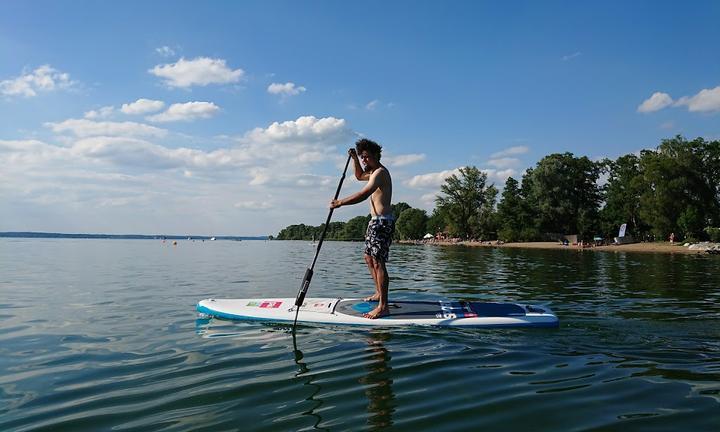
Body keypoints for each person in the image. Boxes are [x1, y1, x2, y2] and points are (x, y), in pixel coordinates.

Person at [330, 139, 394, 319]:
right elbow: (359, 176)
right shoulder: (372, 172)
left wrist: (340, 202)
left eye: (366, 157)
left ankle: (383, 306)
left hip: (382, 222)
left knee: (378, 262)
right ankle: (379, 294)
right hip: (374, 221)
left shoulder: (380, 173)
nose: (364, 160)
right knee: (368, 258)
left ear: (375, 155)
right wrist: (354, 159)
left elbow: (364, 193)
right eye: (362, 157)